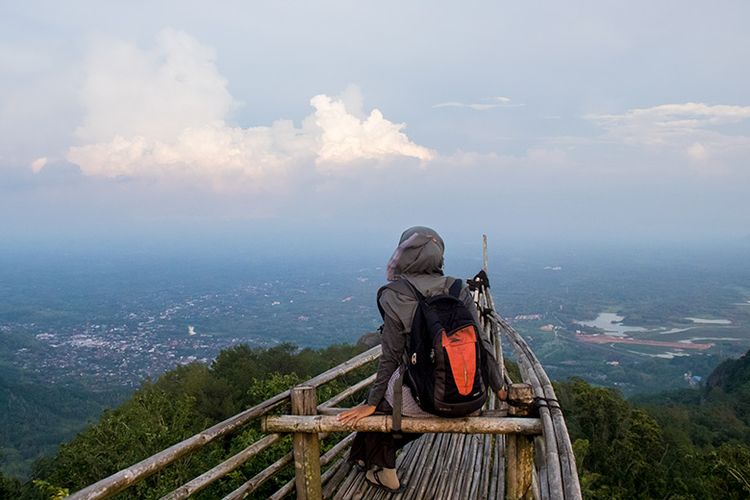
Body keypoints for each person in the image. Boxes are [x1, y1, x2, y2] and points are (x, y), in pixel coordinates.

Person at [338, 226, 506, 492]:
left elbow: (390, 357)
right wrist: (500, 389)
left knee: (382, 405)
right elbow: (482, 344)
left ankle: (384, 471)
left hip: (428, 400)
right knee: (386, 402)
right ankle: (364, 460)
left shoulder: (393, 294)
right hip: (470, 397)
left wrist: (371, 404)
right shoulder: (458, 288)